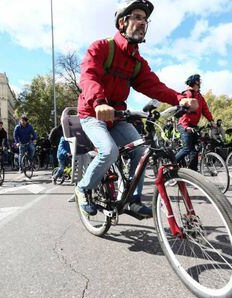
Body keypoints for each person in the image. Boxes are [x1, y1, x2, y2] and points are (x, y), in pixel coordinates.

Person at [75, 0, 197, 217]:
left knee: (140, 151)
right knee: (109, 151)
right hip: (93, 113)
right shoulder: (101, 47)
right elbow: (89, 76)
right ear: (123, 22)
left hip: (118, 116)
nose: (143, 23)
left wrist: (180, 98)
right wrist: (99, 102)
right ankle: (83, 188)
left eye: (145, 19)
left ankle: (132, 200)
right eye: (138, 17)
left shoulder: (137, 62)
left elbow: (155, 87)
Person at [175, 74, 215, 171]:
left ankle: (193, 171)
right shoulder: (188, 94)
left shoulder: (200, 96)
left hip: (193, 125)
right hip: (184, 124)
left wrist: (211, 121)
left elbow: (205, 110)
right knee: (187, 148)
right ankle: (170, 165)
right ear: (196, 82)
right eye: (199, 81)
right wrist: (185, 127)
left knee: (195, 150)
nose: (201, 82)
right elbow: (184, 112)